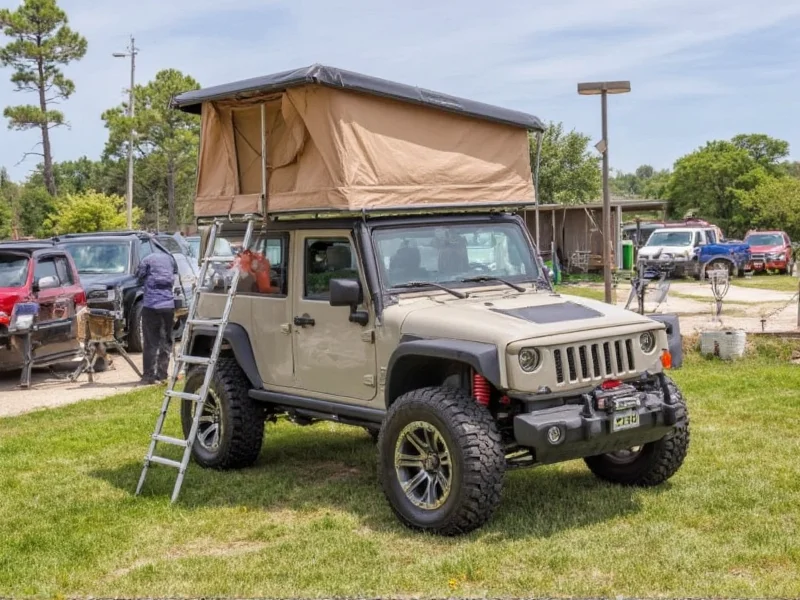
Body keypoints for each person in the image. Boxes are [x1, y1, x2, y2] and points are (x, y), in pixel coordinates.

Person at [135, 250, 177, 385]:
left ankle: (148, 376)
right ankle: (162, 374)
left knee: (150, 342)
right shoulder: (170, 259)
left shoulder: (147, 259)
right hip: (168, 306)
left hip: (151, 306)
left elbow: (139, 276)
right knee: (166, 340)